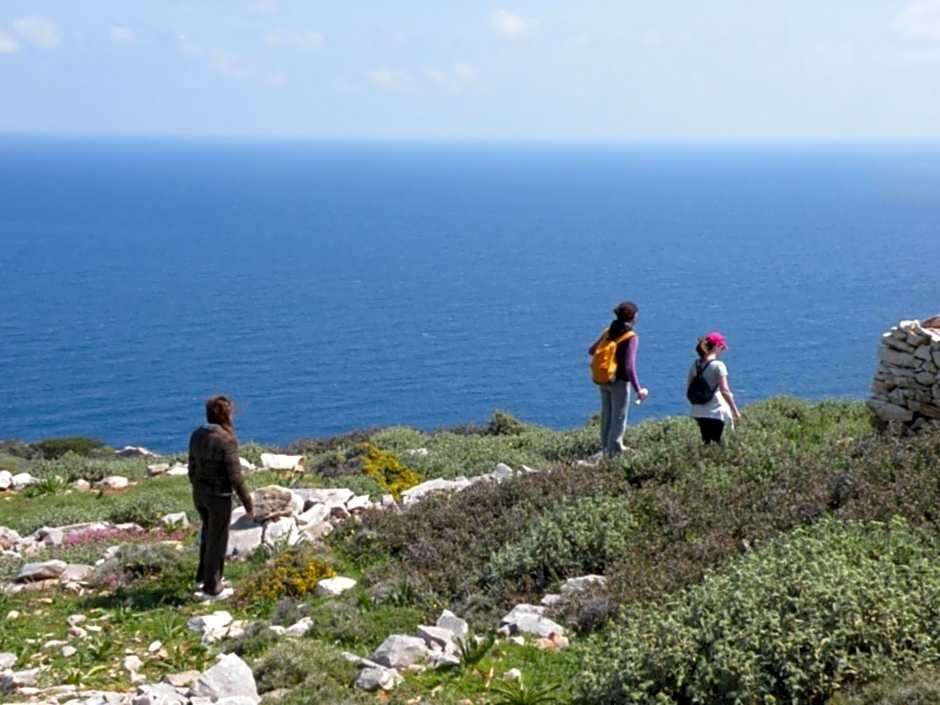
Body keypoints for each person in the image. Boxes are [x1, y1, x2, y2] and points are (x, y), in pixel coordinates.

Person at [188, 395, 254, 599]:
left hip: (199, 494)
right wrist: (248, 504)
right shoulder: (227, 440)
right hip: (219, 497)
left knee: (208, 535)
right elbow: (236, 477)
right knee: (218, 541)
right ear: (226, 414)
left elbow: (192, 467)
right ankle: (212, 588)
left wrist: (197, 486)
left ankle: (203, 578)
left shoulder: (197, 434)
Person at [589, 301, 648, 456]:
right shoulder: (631, 336)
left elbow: (591, 350)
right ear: (633, 317)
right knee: (619, 416)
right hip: (619, 382)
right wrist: (638, 390)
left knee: (606, 413)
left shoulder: (608, 331)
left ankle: (605, 448)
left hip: (604, 378)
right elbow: (629, 366)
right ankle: (614, 451)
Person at [687, 332, 741, 444]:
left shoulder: (695, 365)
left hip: (698, 412)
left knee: (706, 444)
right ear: (716, 347)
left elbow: (688, 388)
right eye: (721, 347)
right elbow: (725, 391)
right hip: (716, 412)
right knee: (719, 445)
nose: (722, 350)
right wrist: (735, 410)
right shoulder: (719, 366)